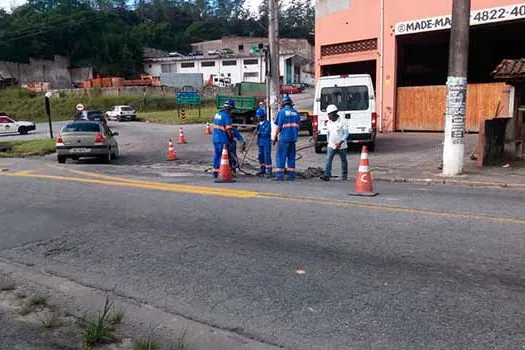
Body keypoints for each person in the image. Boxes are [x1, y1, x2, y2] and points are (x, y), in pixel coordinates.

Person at [273, 95, 300, 181]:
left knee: (281, 156)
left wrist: (274, 137)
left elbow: (279, 126)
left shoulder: (282, 112)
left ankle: (280, 176)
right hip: (293, 138)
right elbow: (298, 126)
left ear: (283, 104)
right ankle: (291, 176)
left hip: (284, 138)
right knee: (291, 157)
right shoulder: (296, 113)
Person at [320, 104, 349, 181]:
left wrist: (340, 143)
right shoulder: (329, 122)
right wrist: (328, 141)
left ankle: (344, 174)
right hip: (331, 144)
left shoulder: (343, 121)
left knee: (343, 160)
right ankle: (327, 175)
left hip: (341, 145)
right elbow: (328, 133)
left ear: (335, 113)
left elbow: (346, 133)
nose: (329, 116)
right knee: (328, 159)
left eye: (330, 114)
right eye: (328, 114)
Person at [212, 98, 234, 178]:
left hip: (215, 138)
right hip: (222, 139)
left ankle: (215, 171)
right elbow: (228, 129)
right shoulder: (226, 116)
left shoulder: (217, 114)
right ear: (230, 107)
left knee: (217, 155)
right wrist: (230, 138)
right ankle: (223, 171)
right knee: (223, 156)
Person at [255, 107, 272, 177]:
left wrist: (259, 132)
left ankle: (269, 171)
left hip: (266, 143)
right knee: (260, 156)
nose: (258, 118)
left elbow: (267, 133)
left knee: (267, 156)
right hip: (260, 143)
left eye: (259, 117)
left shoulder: (268, 123)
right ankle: (262, 170)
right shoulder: (258, 124)